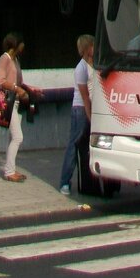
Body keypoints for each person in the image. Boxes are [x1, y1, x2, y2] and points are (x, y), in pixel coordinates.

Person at [0, 32, 39, 182]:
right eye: (22, 43)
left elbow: (19, 83)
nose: (24, 46)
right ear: (15, 44)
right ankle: (9, 172)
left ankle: (10, 170)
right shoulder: (5, 58)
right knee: (18, 136)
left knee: (11, 137)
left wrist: (30, 89)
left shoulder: (16, 60)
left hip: (16, 102)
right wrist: (16, 89)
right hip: (8, 102)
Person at [58, 35, 94, 195]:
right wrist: (90, 116)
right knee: (74, 144)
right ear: (87, 48)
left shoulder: (93, 64)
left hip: (90, 107)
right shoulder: (81, 68)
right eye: (93, 46)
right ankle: (64, 182)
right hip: (81, 109)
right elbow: (85, 96)